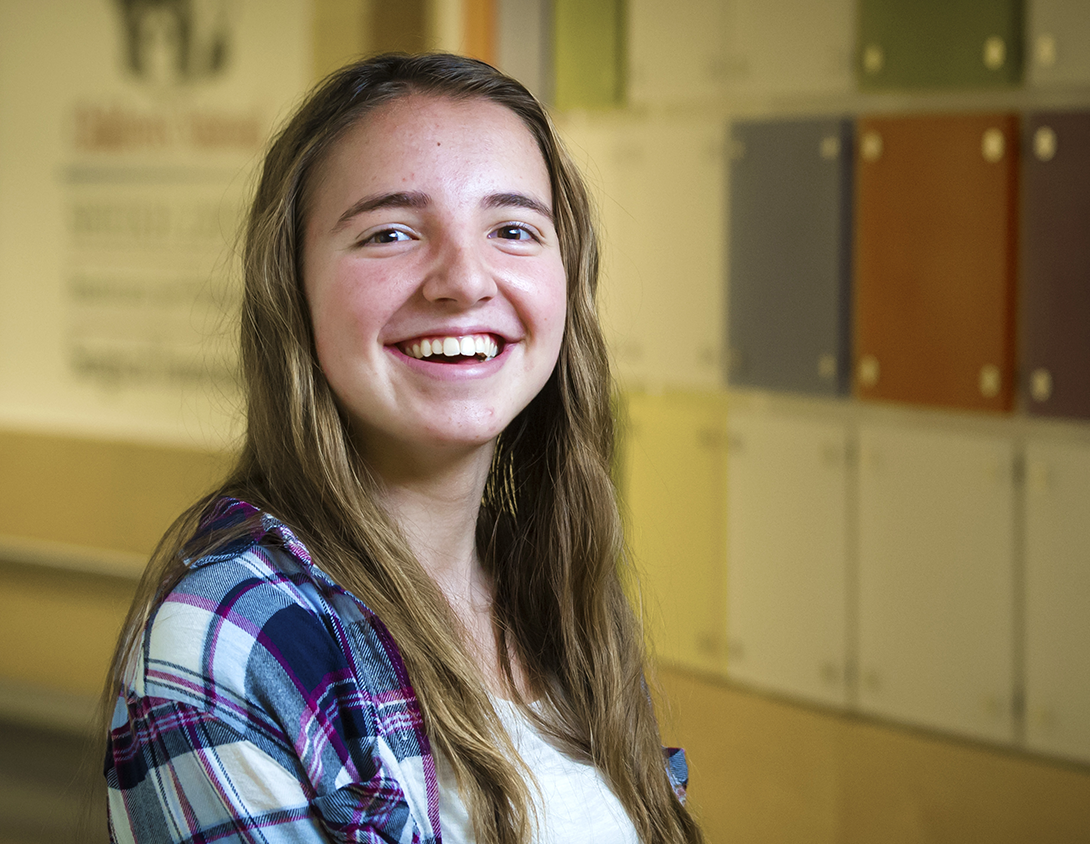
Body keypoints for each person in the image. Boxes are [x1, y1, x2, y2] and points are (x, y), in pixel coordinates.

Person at [100, 53, 703, 844]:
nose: (463, 280)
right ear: (294, 288)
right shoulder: (231, 644)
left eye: (513, 229)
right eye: (390, 233)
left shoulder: (551, 591)